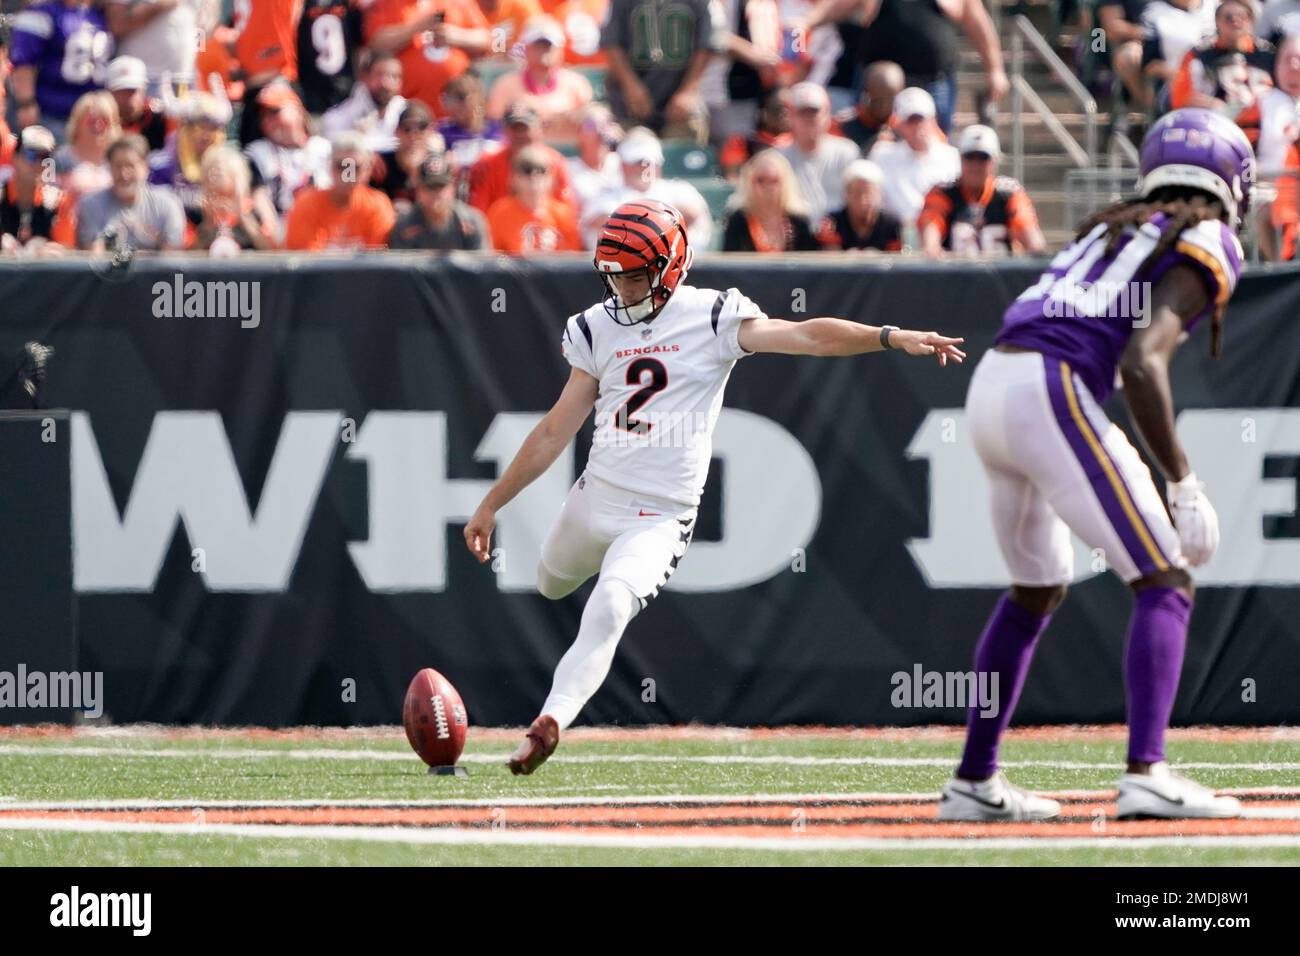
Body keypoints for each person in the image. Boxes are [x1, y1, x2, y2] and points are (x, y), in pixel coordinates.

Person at [461, 198, 965, 774]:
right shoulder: (597, 327)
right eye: (616, 275)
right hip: (597, 492)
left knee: (611, 603)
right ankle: (557, 692)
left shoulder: (712, 316)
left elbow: (807, 337)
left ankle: (551, 720)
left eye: (635, 274)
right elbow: (555, 430)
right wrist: (492, 503)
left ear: (671, 265)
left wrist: (888, 335)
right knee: (550, 584)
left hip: (661, 514)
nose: (623, 287)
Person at [940, 108, 1251, 822]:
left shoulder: (1116, 224)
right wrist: (1183, 481)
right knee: (1165, 577)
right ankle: (1146, 771)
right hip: (1050, 385)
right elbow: (1144, 363)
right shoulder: (1208, 236)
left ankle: (974, 781)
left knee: (1036, 588)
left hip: (994, 381)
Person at [801, 0, 1008, 134]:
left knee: (931, 144)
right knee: (867, 140)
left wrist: (996, 70)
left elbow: (978, 22)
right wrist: (807, 21)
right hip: (879, 86)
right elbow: (840, 4)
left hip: (933, 82)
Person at [917, 124, 1045, 257]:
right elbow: (930, 243)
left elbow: (1033, 240)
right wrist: (933, 250)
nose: (975, 165)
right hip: (955, 276)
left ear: (994, 161)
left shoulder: (1009, 194)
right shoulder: (942, 194)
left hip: (1002, 276)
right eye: (970, 158)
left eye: (982, 159)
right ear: (960, 159)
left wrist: (1034, 248)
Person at [601, 0, 721, 141]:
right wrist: (630, 86)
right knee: (632, 153)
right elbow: (611, 43)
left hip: (678, 99)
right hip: (629, 104)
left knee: (683, 149)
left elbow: (707, 45)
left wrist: (687, 91)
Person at [578, 127, 712, 247]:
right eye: (638, 162)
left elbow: (692, 214)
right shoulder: (604, 195)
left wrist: (636, 220)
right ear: (623, 165)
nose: (645, 167)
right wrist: (658, 219)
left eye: (650, 162)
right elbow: (598, 222)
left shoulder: (679, 189)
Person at [1170, 0, 1275, 146]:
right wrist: (1215, 106)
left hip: (1267, 134)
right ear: (1217, 21)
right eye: (1228, 17)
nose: (1235, 21)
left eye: (1242, 16)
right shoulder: (1199, 56)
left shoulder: (1269, 55)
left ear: (1251, 20)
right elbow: (1180, 100)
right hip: (1215, 135)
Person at [8, 0, 115, 139]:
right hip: (50, 112)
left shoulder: (96, 13)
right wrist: (26, 103)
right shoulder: (41, 12)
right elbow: (24, 62)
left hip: (89, 114)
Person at [363, 0, 491, 116]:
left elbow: (488, 40)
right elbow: (376, 44)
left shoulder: (459, 3)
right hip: (409, 118)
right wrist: (416, 28)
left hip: (458, 112)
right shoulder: (387, 4)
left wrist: (457, 36)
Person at [484, 15, 593, 140]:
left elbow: (590, 125)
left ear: (560, 50)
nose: (543, 51)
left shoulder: (577, 84)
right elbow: (495, 130)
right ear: (525, 48)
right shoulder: (505, 85)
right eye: (538, 45)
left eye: (548, 46)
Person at [284, 131, 397, 249]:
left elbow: (377, 260)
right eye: (342, 166)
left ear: (368, 170)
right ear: (330, 167)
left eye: (355, 167)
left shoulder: (377, 205)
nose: (348, 175)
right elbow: (305, 261)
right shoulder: (306, 204)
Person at [75, 133, 185, 251]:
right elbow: (95, 260)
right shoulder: (92, 205)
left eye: (130, 166)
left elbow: (171, 258)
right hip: (110, 269)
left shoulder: (167, 204)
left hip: (156, 270)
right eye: (118, 166)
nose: (124, 174)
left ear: (145, 168)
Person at [868, 86, 959, 228]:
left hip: (939, 232)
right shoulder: (881, 155)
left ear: (932, 120)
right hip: (895, 237)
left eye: (921, 120)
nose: (917, 126)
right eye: (910, 121)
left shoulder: (951, 157)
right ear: (899, 124)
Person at [244, 83, 333, 217]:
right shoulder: (256, 153)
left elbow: (351, 184)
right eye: (263, 116)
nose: (268, 120)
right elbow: (256, 196)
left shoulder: (326, 149)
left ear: (298, 110)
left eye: (275, 112)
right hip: (279, 229)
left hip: (324, 224)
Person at [777, 81, 859, 223]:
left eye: (814, 112)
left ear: (827, 115)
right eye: (803, 112)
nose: (809, 119)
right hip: (797, 235)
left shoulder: (847, 152)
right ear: (790, 116)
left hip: (839, 234)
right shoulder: (778, 158)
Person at [467, 102, 572, 213]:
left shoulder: (555, 162)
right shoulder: (487, 164)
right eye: (514, 128)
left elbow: (564, 210)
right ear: (505, 131)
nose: (519, 134)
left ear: (539, 129)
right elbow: (479, 213)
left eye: (524, 128)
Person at [485, 144, 582, 252]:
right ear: (513, 178)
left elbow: (573, 257)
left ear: (552, 177)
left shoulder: (564, 214)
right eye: (527, 170)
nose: (534, 177)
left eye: (541, 170)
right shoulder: (499, 212)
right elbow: (491, 257)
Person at [720, 149, 820, 251]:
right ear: (749, 183)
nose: (768, 187)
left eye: (774, 181)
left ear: (786, 184)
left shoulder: (799, 221)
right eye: (760, 180)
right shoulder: (738, 221)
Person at [388, 151, 491, 249]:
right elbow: (399, 266)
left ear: (452, 188)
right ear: (418, 190)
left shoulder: (471, 222)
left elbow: (482, 265)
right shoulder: (405, 226)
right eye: (429, 187)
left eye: (440, 186)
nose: (435, 194)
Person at [193, 144, 278, 252]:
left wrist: (243, 217)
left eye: (221, 168)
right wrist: (207, 224)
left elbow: (270, 251)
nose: (215, 173)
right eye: (210, 169)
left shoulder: (255, 211)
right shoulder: (197, 212)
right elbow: (184, 256)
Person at [321, 51, 407, 154]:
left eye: (394, 76)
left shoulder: (408, 113)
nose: (386, 83)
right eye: (380, 75)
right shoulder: (337, 118)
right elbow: (343, 163)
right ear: (365, 77)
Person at [0, 125, 65, 252]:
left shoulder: (58, 202)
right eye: (31, 154)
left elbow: (70, 250)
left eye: (45, 157)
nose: (38, 163)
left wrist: (48, 249)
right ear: (15, 157)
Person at [816, 158, 902, 251]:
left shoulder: (891, 224)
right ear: (846, 194)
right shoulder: (832, 222)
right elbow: (829, 260)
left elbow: (895, 260)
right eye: (857, 193)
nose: (863, 200)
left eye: (869, 193)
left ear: (879, 194)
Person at [297, 0, 366, 115]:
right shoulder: (298, 4)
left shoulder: (350, 4)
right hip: (310, 91)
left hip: (347, 90)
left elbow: (359, 46)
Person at [720, 86, 793, 182]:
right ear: (764, 113)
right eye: (779, 108)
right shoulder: (741, 143)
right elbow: (732, 179)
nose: (785, 113)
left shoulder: (801, 142)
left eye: (790, 108)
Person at [834, 60, 904, 153]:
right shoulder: (843, 124)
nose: (884, 106)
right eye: (878, 100)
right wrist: (872, 145)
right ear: (866, 95)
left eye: (890, 100)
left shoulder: (904, 125)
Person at [105, 55, 169, 152]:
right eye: (122, 91)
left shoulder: (160, 118)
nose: (128, 97)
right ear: (110, 92)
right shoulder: (101, 120)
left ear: (144, 90)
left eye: (133, 90)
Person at [566, 105, 623, 212]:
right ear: (578, 134)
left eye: (606, 124)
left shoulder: (624, 163)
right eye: (591, 125)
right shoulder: (567, 169)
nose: (600, 131)